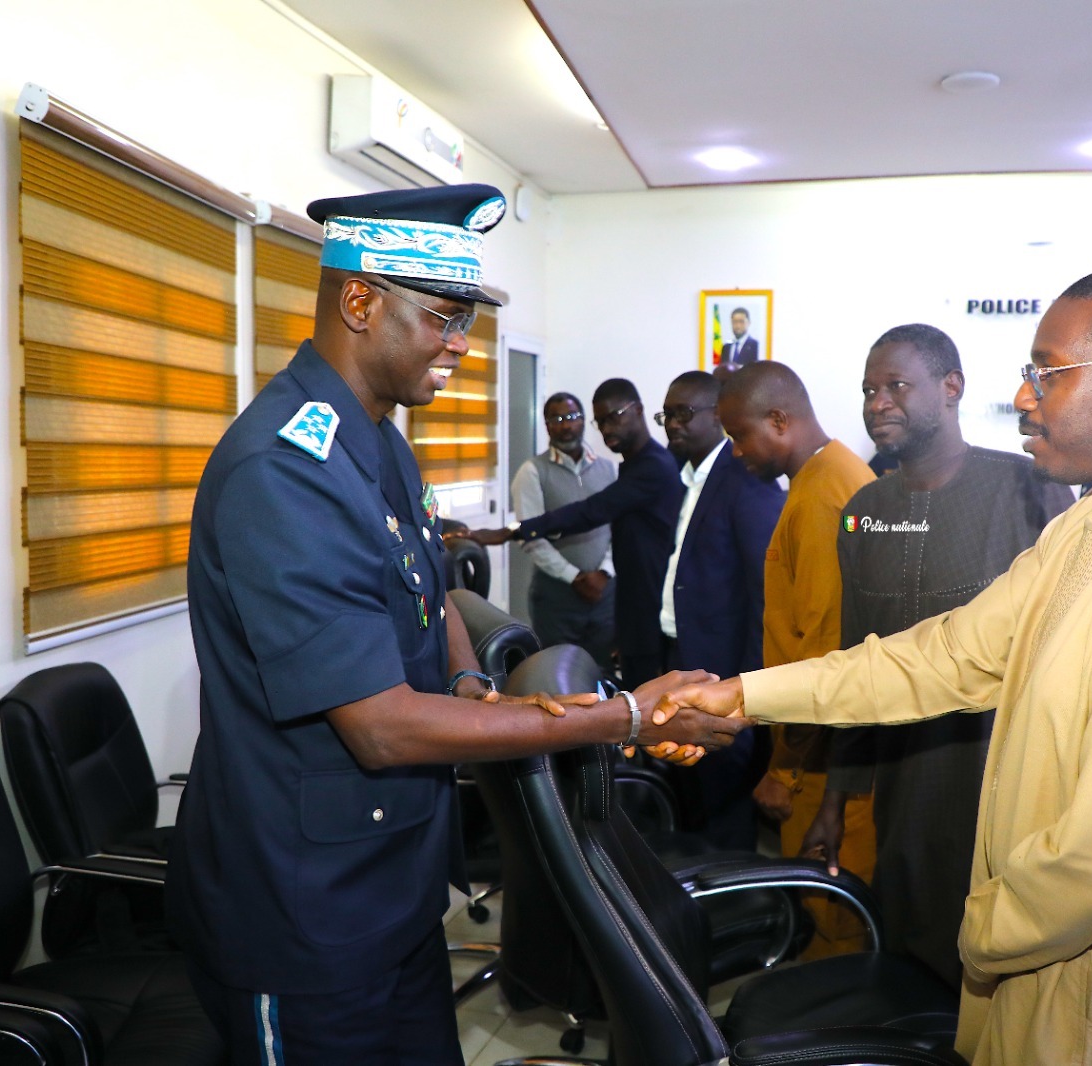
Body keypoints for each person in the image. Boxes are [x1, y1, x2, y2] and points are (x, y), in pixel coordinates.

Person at [654, 263, 1092, 1066]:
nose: (1026, 396)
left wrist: (971, 929)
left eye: (1047, 373)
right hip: (1046, 968)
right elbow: (946, 655)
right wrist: (742, 695)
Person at [167, 185, 746, 1066]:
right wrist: (628, 716)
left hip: (391, 887)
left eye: (465, 318)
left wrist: (473, 683)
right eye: (442, 318)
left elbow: (430, 596)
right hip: (303, 913)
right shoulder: (283, 470)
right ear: (359, 300)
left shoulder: (382, 442)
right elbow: (383, 726)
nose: (461, 345)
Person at [803, 323, 1072, 988]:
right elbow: (855, 659)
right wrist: (837, 800)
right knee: (911, 971)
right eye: (869, 389)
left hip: (1005, 789)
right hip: (904, 793)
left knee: (997, 977)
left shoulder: (1027, 489)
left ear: (951, 388)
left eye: (896, 385)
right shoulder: (863, 511)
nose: (877, 402)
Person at [721, 360, 878, 956]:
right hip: (827, 743)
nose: (736, 452)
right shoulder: (835, 473)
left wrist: (784, 770)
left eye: (740, 436)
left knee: (829, 917)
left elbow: (824, 652)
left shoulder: (820, 497)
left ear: (779, 420)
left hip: (821, 756)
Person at [466, 379, 681, 688]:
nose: (606, 430)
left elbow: (593, 512)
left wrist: (510, 531)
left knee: (635, 692)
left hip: (642, 600)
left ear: (637, 410)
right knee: (561, 678)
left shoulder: (650, 466)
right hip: (582, 599)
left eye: (613, 417)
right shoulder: (629, 465)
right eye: (601, 421)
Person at [657, 369, 785, 848]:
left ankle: (738, 908)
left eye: (683, 413)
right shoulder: (691, 477)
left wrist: (748, 691)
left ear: (718, 416)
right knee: (692, 800)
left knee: (724, 814)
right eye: (666, 415)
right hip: (685, 661)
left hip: (725, 679)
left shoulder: (743, 477)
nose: (672, 424)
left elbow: (763, 594)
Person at [511, 391, 618, 674]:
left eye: (571, 417)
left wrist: (604, 572)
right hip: (556, 596)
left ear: (583, 421)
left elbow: (618, 527)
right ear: (546, 424)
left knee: (602, 671)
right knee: (559, 674)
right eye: (556, 419)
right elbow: (531, 537)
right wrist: (575, 577)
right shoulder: (532, 472)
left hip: (605, 590)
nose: (565, 425)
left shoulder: (608, 469)